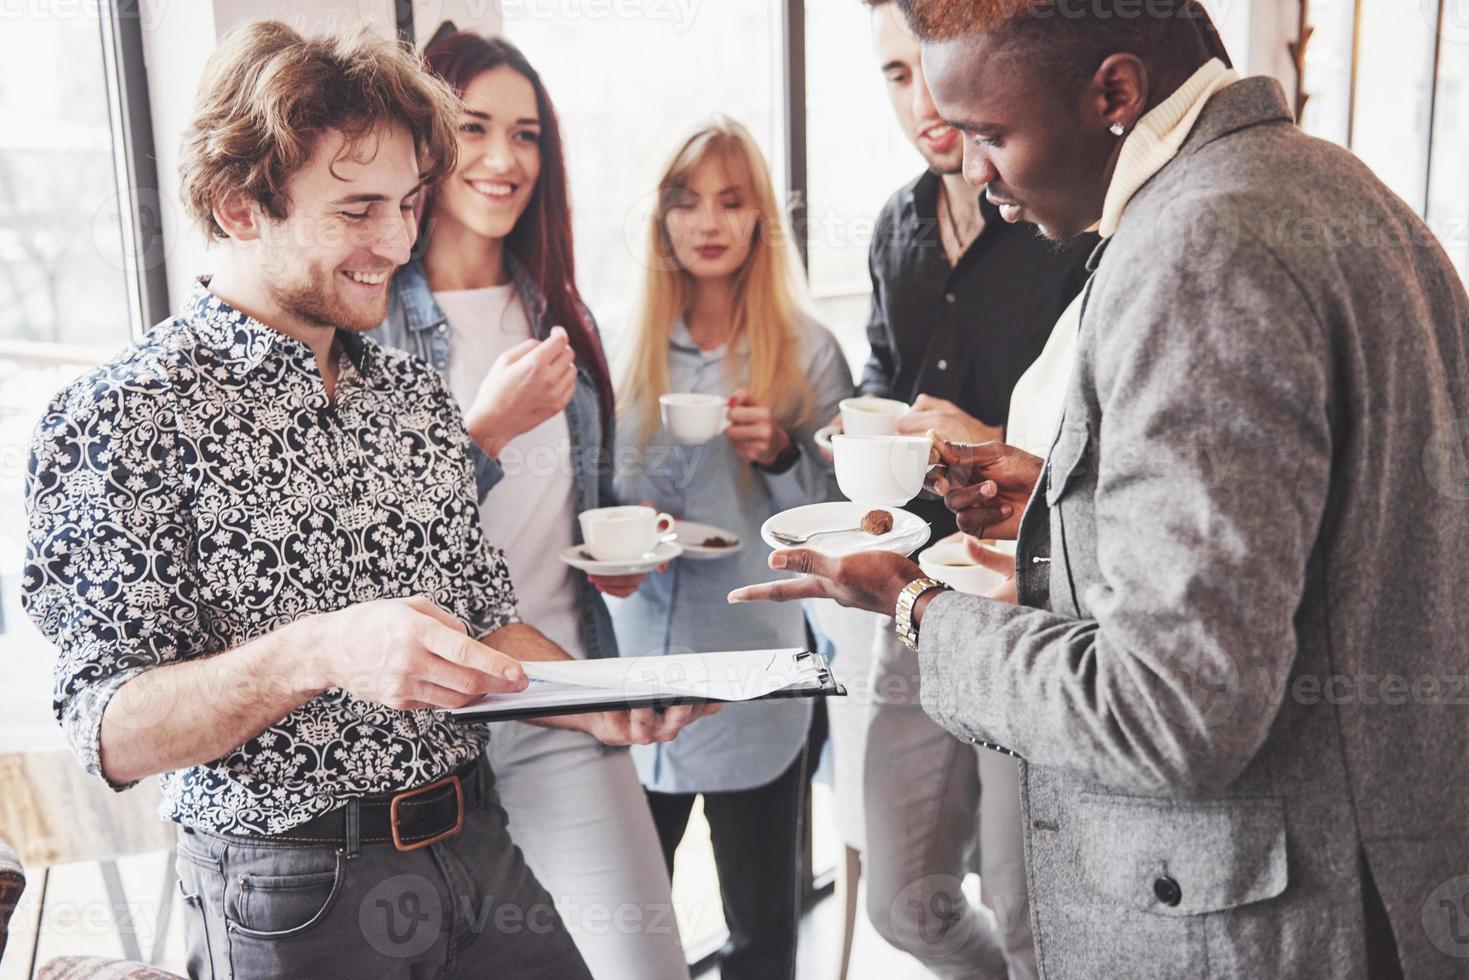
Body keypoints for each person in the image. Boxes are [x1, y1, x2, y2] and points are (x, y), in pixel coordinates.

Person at [729, 1, 1469, 977]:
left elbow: (1173, 708)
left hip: (1271, 920)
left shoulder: (1199, 248)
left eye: (991, 134)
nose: (974, 170)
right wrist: (1060, 500)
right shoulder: (1328, 184)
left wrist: (912, 602)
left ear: (1113, 91)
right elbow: (1313, 530)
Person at [20, 23, 704, 979]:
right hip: (293, 894)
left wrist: (603, 703)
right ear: (239, 205)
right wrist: (318, 650)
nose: (396, 241)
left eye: (408, 204)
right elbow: (111, 731)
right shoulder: (120, 418)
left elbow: (483, 624)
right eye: (357, 210)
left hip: (477, 845)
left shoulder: (412, 398)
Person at [369, 29, 695, 980]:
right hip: (422, 739)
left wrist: (620, 551)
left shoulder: (552, 310)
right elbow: (369, 547)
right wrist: (484, 433)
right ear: (424, 140)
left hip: (560, 698)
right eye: (473, 128)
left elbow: (574, 512)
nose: (505, 160)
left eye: (527, 135)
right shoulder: (366, 317)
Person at [810, 4, 1095, 977]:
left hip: (1030, 610)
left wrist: (995, 442)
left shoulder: (1068, 223)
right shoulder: (893, 225)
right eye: (894, 73)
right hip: (911, 603)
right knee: (901, 900)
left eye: (930, 64)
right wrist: (862, 424)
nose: (922, 98)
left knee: (1030, 913)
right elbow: (886, 371)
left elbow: (1112, 436)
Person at [610, 117, 852, 980]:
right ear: (662, 220)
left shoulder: (809, 352)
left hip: (759, 683)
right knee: (629, 937)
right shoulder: (619, 350)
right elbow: (592, 507)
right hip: (633, 684)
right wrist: (621, 538)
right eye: (686, 201)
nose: (707, 221)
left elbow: (844, 526)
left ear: (758, 220)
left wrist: (781, 455)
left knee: (760, 934)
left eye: (731, 200)